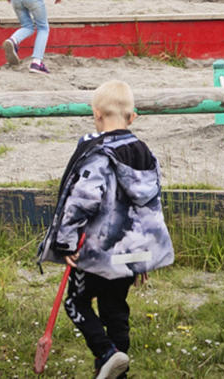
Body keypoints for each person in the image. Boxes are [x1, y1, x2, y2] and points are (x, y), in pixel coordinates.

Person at [37, 80, 174, 379]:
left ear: (97, 114)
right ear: (132, 117)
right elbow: (149, 208)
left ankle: (107, 353)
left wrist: (66, 241)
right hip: (129, 254)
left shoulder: (98, 154)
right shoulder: (145, 154)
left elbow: (83, 199)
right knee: (115, 306)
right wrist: (142, 255)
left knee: (76, 301)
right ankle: (117, 371)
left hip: (98, 251)